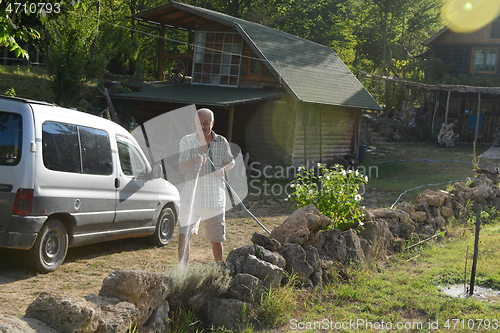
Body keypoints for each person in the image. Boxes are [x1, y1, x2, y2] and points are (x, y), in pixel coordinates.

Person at [178, 108, 235, 264]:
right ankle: (182, 272)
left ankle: (218, 270)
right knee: (184, 236)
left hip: (214, 200)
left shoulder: (221, 141)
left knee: (216, 239)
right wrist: (194, 160)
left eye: (206, 123)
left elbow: (231, 161)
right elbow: (182, 166)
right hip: (191, 198)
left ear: (212, 123)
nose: (202, 126)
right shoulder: (187, 141)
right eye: (198, 123)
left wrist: (223, 169)